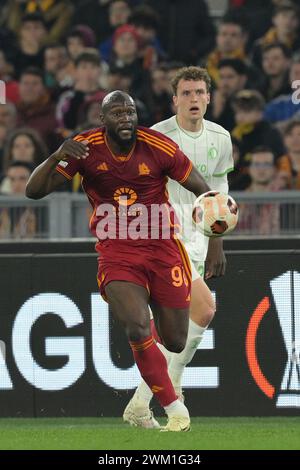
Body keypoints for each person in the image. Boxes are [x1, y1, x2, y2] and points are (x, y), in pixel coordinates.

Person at [26, 90, 212, 432]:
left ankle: (140, 407)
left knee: (174, 340)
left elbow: (204, 191)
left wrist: (215, 242)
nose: (125, 118)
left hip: (163, 248)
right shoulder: (85, 147)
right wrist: (55, 156)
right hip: (117, 252)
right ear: (103, 119)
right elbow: (33, 191)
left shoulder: (158, 147)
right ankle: (175, 410)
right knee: (137, 326)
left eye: (130, 112)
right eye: (117, 113)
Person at [123, 67, 233, 427]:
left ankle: (143, 401)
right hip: (165, 236)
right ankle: (170, 389)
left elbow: (219, 193)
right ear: (174, 101)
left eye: (199, 92)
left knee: (187, 319)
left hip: (198, 238)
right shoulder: (158, 137)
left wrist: (217, 242)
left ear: (209, 98)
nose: (194, 99)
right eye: (186, 93)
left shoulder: (221, 137)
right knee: (203, 309)